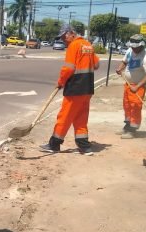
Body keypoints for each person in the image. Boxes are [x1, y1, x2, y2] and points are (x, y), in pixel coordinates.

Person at [40, 24, 100, 155]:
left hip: (75, 87)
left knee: (64, 116)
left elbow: (69, 68)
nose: (63, 40)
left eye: (63, 37)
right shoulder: (88, 45)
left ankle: (54, 144)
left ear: (71, 33)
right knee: (81, 118)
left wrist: (61, 82)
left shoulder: (74, 45)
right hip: (88, 88)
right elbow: (96, 65)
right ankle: (85, 147)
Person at [115, 33, 146, 139]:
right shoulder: (129, 50)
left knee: (135, 107)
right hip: (128, 84)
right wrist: (120, 68)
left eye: (135, 47)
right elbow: (125, 61)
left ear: (141, 45)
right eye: (132, 46)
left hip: (138, 86)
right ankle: (127, 127)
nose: (133, 48)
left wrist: (137, 87)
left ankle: (133, 130)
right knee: (127, 106)